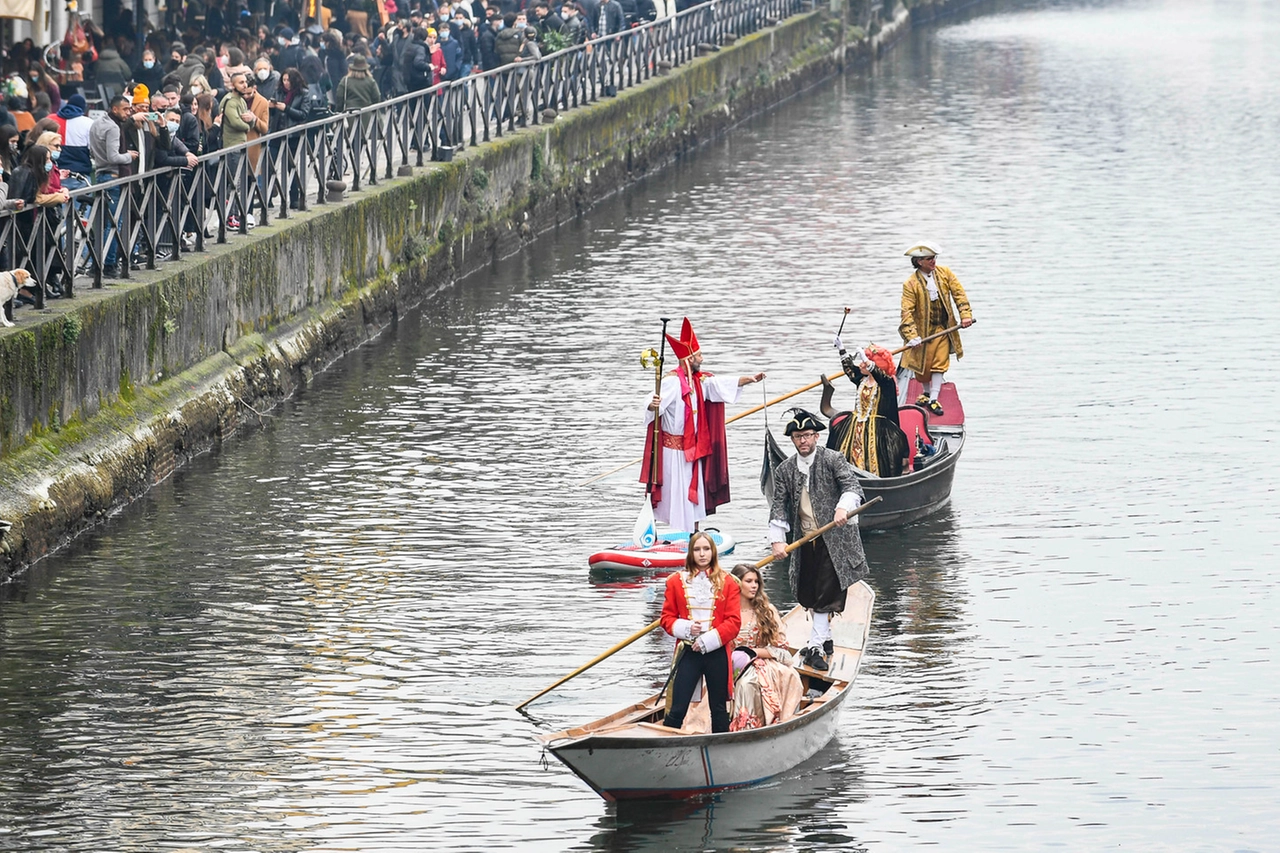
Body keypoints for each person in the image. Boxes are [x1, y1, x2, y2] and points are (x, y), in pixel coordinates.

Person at [641, 317, 765, 532]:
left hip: (694, 448)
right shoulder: (671, 382)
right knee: (678, 493)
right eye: (698, 355)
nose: (702, 358)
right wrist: (652, 405)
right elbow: (653, 402)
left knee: (694, 493)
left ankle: (693, 532)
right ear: (688, 359)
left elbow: (720, 384)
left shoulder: (699, 382)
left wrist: (750, 379)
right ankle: (678, 534)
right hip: (674, 451)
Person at [768, 408, 868, 672]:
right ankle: (826, 639)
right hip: (805, 539)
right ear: (792, 439)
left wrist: (842, 508)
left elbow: (851, 487)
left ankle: (814, 646)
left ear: (816, 437)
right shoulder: (785, 470)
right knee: (809, 591)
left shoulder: (833, 459)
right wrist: (778, 539)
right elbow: (779, 504)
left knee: (825, 592)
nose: (804, 441)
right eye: (798, 436)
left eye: (808, 435)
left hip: (834, 538)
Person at [659, 531, 741, 733]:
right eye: (697, 549)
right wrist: (686, 628)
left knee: (719, 709)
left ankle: (721, 746)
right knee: (677, 707)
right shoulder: (675, 582)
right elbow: (666, 618)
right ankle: (667, 744)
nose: (702, 554)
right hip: (688, 652)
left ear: (713, 552)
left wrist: (707, 640)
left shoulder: (729, 582)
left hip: (716, 652)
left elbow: (734, 622)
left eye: (706, 549)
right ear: (690, 552)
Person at [898, 242, 975, 415]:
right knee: (923, 368)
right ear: (919, 262)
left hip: (943, 329)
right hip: (922, 333)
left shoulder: (945, 273)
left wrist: (965, 315)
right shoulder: (910, 284)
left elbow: (959, 293)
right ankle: (926, 392)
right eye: (929, 259)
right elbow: (906, 311)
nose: (933, 261)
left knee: (940, 364)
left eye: (934, 258)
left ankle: (934, 398)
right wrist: (911, 336)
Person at [728, 564, 803, 731]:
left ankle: (748, 728)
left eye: (756, 581)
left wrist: (752, 652)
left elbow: (783, 650)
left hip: (761, 661)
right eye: (748, 581)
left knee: (748, 683)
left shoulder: (766, 611)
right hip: (728, 663)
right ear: (736, 583)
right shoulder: (725, 610)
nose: (754, 585)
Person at [823, 341, 909, 477]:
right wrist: (842, 349)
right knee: (837, 437)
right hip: (855, 423)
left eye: (864, 362)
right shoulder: (862, 379)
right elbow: (850, 369)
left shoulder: (887, 383)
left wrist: (868, 363)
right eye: (863, 361)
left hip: (878, 429)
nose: (861, 364)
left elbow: (879, 375)